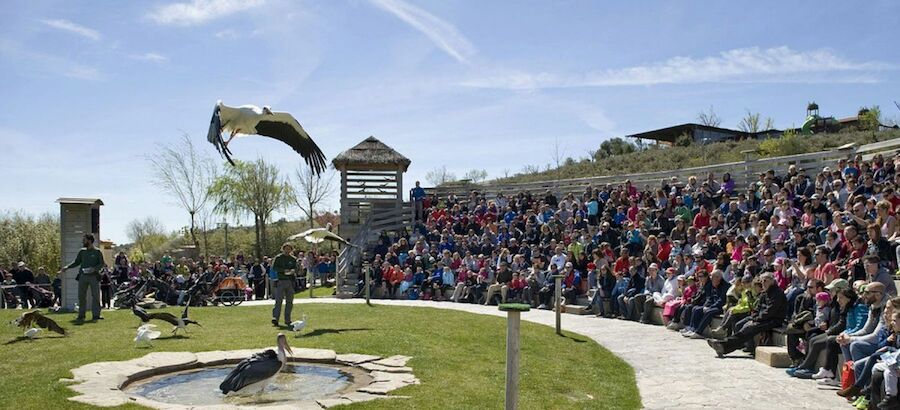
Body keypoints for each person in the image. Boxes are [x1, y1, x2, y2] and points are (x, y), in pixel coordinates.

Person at [707, 272, 787, 357]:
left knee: (749, 327)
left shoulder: (777, 293)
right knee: (739, 324)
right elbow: (757, 308)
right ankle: (735, 345)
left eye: (765, 281)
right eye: (762, 281)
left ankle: (723, 346)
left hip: (774, 319)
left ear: (772, 281)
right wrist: (754, 317)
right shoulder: (765, 293)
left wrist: (755, 319)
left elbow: (771, 311)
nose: (763, 283)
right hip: (762, 318)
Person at [60, 233, 106, 322]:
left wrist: (94, 269)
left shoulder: (97, 252)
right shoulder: (82, 252)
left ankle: (96, 315)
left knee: (95, 296)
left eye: (84, 240)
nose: (83, 241)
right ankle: (81, 315)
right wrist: (67, 267)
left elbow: (101, 264)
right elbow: (76, 262)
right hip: (83, 276)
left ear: (89, 240)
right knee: (81, 296)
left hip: (94, 276)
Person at [271, 243, 298, 326]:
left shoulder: (293, 259)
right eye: (286, 249)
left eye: (289, 249)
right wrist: (283, 270)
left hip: (290, 281)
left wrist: (293, 270)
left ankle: (288, 320)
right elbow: (274, 268)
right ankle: (275, 318)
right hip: (281, 281)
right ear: (283, 249)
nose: (287, 250)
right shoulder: (279, 258)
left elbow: (296, 268)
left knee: (289, 302)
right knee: (278, 301)